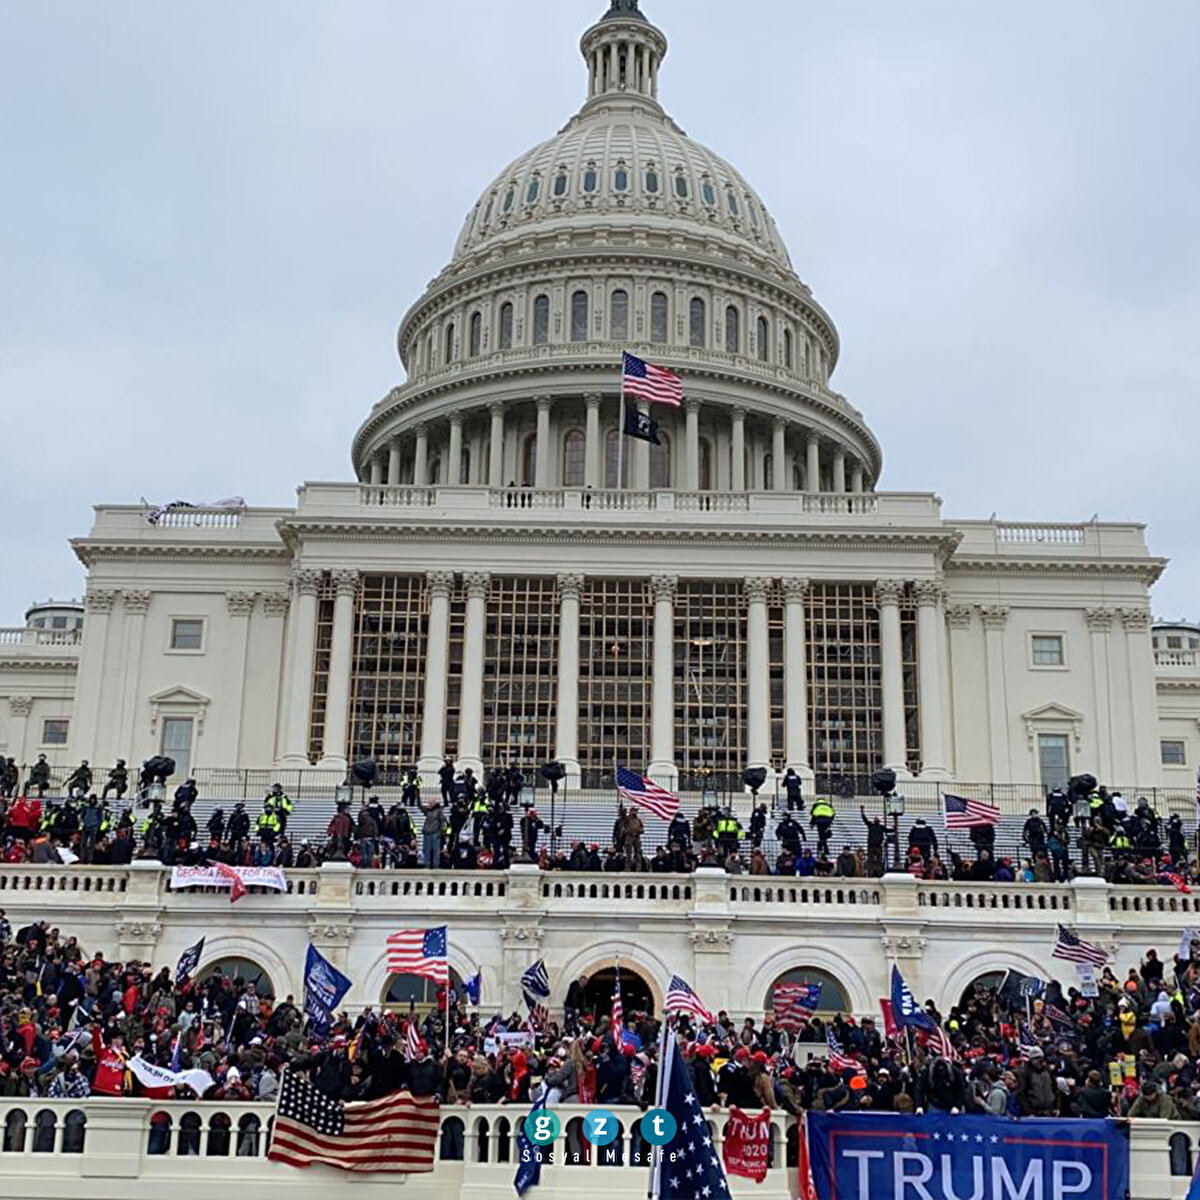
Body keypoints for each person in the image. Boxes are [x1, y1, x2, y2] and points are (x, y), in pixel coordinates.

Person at [421, 794, 446, 868]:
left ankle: (436, 866)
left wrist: (441, 832)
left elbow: (443, 822)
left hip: (435, 833)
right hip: (427, 833)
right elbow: (421, 807)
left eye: (431, 802)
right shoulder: (427, 810)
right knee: (426, 850)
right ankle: (427, 865)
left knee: (436, 851)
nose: (430, 804)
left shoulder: (439, 811)